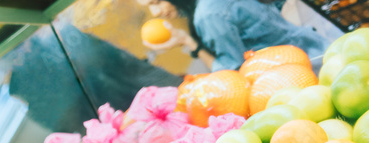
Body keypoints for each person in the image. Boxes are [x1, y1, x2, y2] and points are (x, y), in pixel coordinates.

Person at [140, 0, 332, 71]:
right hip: (314, 47)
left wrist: (190, 44)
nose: (156, 12)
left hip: (306, 69)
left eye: (156, 2)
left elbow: (233, 72)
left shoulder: (208, 15)